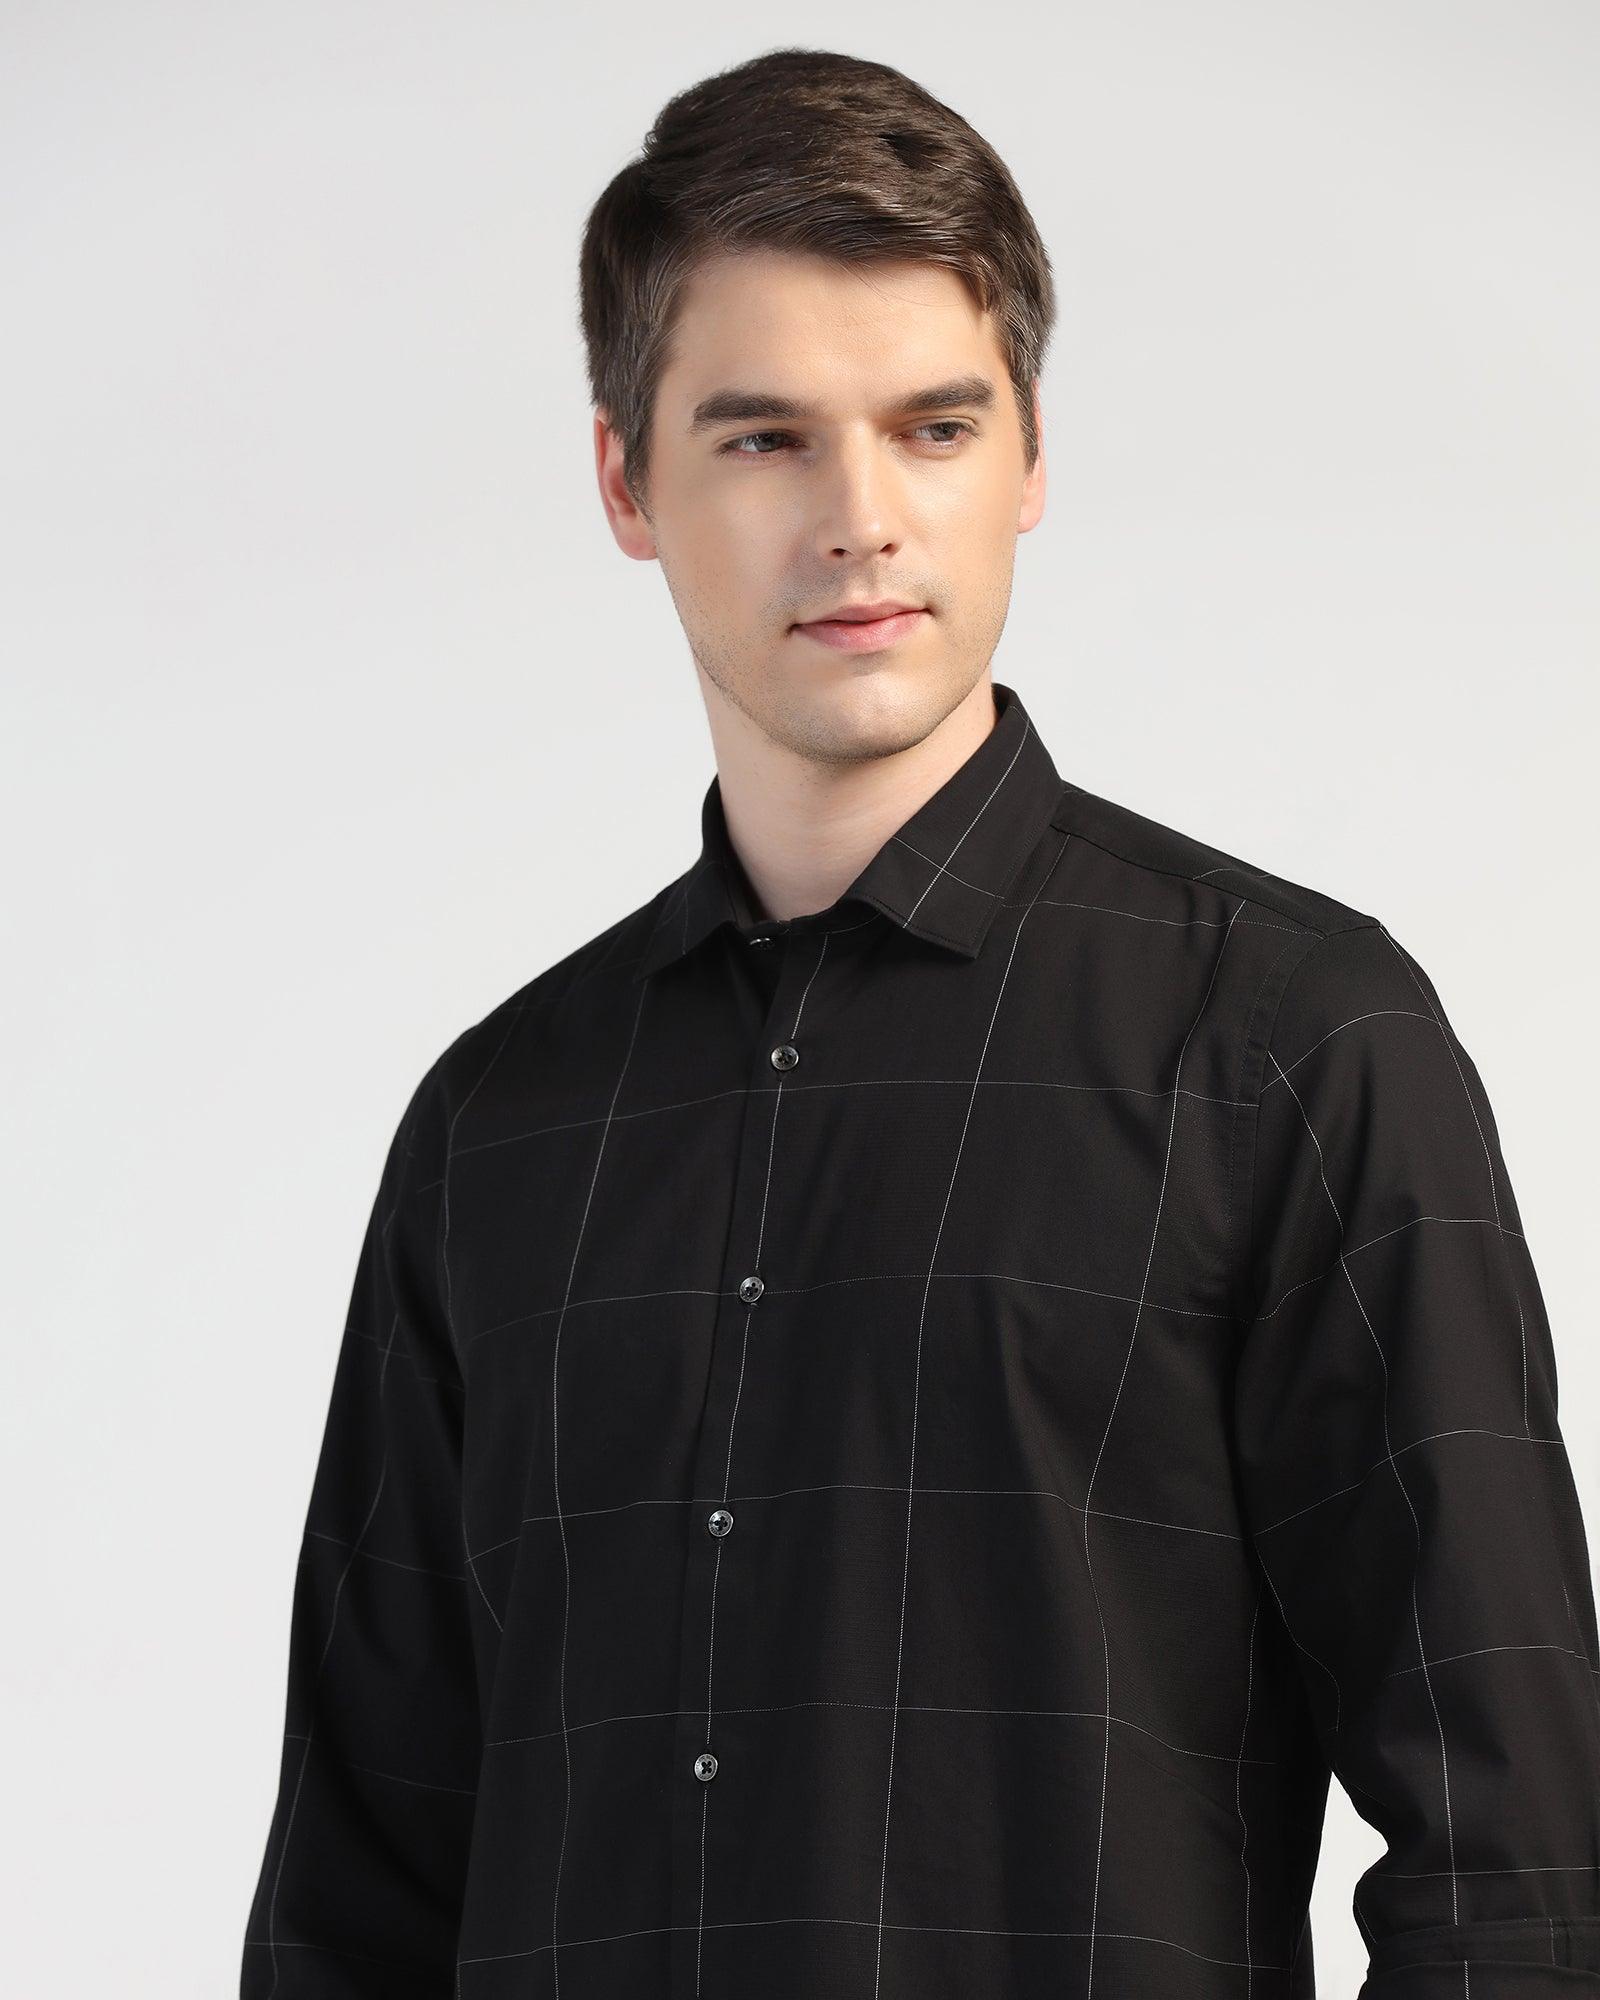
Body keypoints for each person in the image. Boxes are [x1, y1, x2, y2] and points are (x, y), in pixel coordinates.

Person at [240, 45, 1600, 2000]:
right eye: (763, 439)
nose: (859, 519)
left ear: (1026, 459)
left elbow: (1518, 1871)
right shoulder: (500, 1123)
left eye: (932, 427)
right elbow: (355, 1899)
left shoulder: (1291, 1046)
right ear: (626, 480)